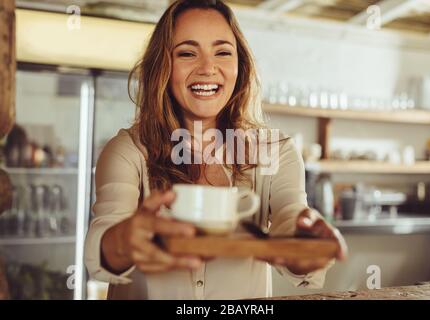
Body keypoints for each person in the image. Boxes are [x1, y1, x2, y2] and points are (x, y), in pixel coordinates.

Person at [84, 0, 347, 300]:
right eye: (187, 53)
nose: (208, 68)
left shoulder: (277, 152)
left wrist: (307, 246)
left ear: (240, 65)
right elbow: (102, 246)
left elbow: (290, 219)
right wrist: (124, 241)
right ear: (163, 67)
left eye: (222, 52)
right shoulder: (127, 151)